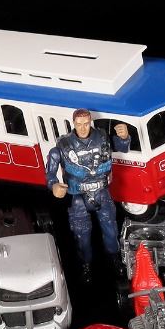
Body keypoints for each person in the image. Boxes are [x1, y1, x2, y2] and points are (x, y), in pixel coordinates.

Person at [46, 109, 131, 282]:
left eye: (86, 124)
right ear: (74, 124)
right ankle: (86, 263)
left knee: (110, 229)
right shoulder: (63, 145)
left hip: (102, 192)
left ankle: (114, 258)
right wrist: (53, 184)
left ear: (90, 122)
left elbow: (122, 147)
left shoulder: (103, 138)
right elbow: (50, 171)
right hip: (78, 196)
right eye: (79, 124)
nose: (83, 128)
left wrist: (124, 137)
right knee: (82, 235)